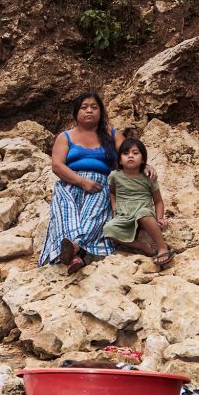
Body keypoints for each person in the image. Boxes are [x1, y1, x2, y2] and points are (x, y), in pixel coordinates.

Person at [39, 92, 131, 274]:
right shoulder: (65, 137)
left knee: (93, 214)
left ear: (101, 112)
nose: (89, 110)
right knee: (64, 213)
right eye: (84, 107)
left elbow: (130, 155)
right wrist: (81, 181)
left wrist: (145, 166)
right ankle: (74, 251)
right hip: (70, 182)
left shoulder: (113, 135)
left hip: (100, 183)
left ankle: (72, 250)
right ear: (76, 113)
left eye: (94, 107)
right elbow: (57, 166)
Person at [103, 138, 173, 266]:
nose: (130, 156)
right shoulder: (114, 176)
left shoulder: (148, 177)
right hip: (124, 214)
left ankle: (162, 247)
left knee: (144, 215)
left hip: (143, 210)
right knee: (108, 229)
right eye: (126, 153)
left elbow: (158, 201)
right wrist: (114, 209)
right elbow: (112, 192)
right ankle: (142, 246)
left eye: (135, 153)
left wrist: (160, 217)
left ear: (143, 159)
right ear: (119, 160)